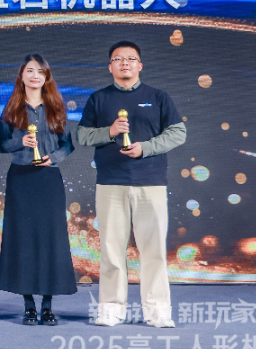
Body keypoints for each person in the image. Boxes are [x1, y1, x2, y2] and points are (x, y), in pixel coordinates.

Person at [77, 41, 186, 329]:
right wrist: (110, 131)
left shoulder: (158, 97)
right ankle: (111, 309)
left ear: (140, 65)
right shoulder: (99, 99)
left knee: (154, 250)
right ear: (109, 66)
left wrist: (145, 148)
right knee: (111, 249)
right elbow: (83, 136)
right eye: (118, 59)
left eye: (131, 58)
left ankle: (158, 311)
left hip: (151, 182)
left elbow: (178, 133)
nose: (125, 63)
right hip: (110, 182)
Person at [0, 54, 77, 326]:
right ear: (21, 75)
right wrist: (20, 141)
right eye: (29, 71)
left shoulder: (56, 107)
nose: (34, 76)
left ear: (46, 77)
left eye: (40, 72)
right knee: (24, 240)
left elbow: (68, 144)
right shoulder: (11, 108)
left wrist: (54, 158)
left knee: (50, 240)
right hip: (21, 180)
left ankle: (48, 305)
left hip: (48, 179)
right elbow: (0, 145)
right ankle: (29, 305)